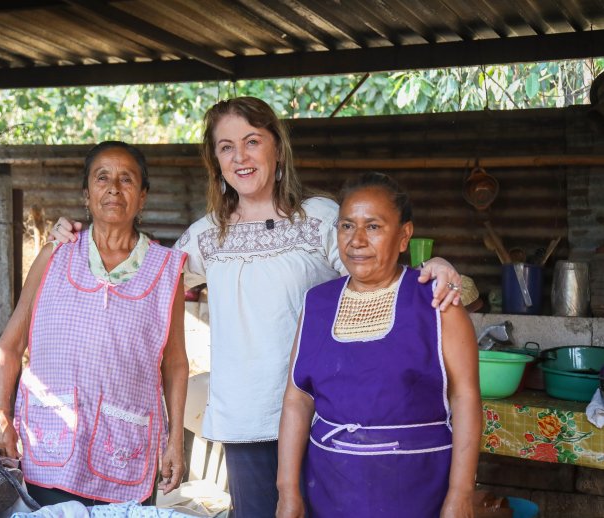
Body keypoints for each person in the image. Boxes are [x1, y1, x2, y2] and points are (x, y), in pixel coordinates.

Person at [50, 97, 463, 517]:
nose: (240, 157)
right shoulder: (205, 236)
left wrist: (435, 265)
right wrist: (79, 237)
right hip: (245, 421)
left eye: (252, 141)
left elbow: (377, 271)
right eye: (226, 147)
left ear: (277, 149)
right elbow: (140, 273)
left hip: (326, 419)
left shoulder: (319, 218)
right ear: (216, 160)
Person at [0, 141, 188, 507]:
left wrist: (176, 440)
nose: (114, 188)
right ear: (86, 194)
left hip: (124, 448)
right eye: (102, 178)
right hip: (52, 440)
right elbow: (10, 345)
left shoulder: (166, 269)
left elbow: (175, 363)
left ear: (142, 197)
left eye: (127, 179)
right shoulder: (55, 254)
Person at [276, 172, 481, 518]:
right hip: (330, 488)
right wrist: (287, 491)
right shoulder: (317, 303)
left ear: (404, 237)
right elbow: (298, 398)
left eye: (373, 227)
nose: (356, 240)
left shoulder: (437, 302)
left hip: (417, 490)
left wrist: (461, 494)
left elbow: (466, 397)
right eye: (346, 226)